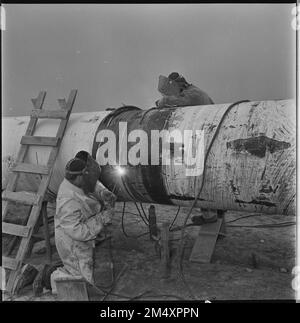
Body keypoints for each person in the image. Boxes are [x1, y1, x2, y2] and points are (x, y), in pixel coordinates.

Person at [33, 152, 116, 295]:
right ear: (79, 177)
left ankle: (62, 270)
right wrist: (102, 218)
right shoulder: (68, 200)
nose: (90, 179)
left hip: (79, 232)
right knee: (80, 284)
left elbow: (92, 183)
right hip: (72, 242)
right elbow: (78, 232)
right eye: (86, 176)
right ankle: (49, 278)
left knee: (84, 273)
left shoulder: (77, 181)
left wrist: (103, 192)